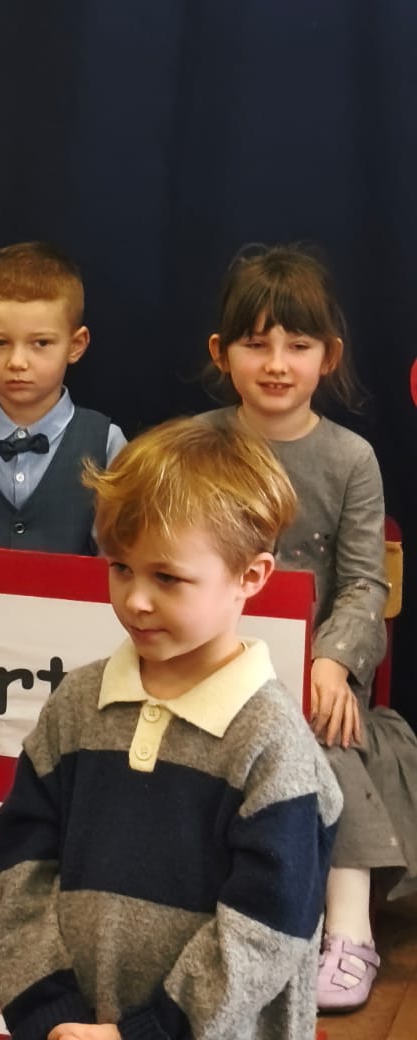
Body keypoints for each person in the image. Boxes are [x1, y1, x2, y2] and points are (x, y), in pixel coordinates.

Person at [0, 417, 341, 1040]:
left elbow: (264, 929)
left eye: (167, 577)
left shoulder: (273, 742)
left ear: (251, 576)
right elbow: (20, 867)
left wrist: (151, 1031)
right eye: (121, 568)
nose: (136, 600)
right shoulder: (77, 705)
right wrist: (50, 1012)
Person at [202, 243, 417, 1012]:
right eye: (256, 344)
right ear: (222, 354)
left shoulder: (350, 458)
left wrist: (334, 661)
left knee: (331, 727)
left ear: (329, 356)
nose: (276, 363)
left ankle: (349, 932)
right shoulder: (199, 445)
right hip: (211, 659)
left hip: (312, 670)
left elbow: (362, 583)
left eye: (297, 345)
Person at [0, 242, 124, 550]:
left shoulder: (107, 444)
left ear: (76, 345)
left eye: (40, 343)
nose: (17, 362)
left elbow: (119, 559)